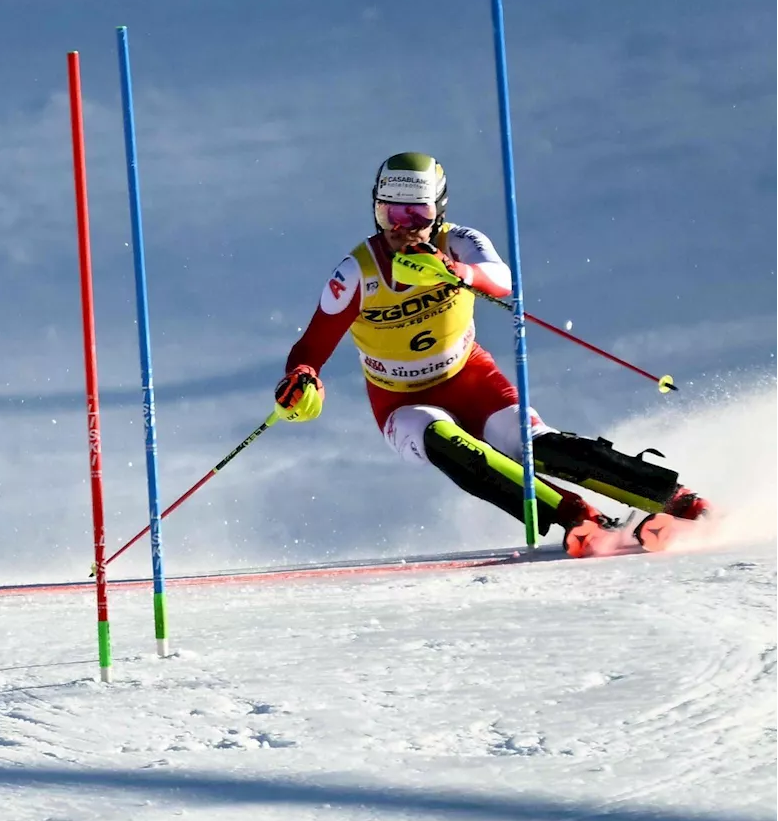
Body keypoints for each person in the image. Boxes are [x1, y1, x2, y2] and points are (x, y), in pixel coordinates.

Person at [273, 151, 710, 557]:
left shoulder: (457, 242)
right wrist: (302, 378)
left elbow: (502, 280)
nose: (403, 228)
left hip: (471, 380)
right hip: (399, 401)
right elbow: (311, 345)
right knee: (439, 437)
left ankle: (681, 502)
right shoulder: (357, 272)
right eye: (391, 213)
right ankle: (579, 518)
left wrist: (456, 272)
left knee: (532, 445)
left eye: (417, 214)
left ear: (438, 211)